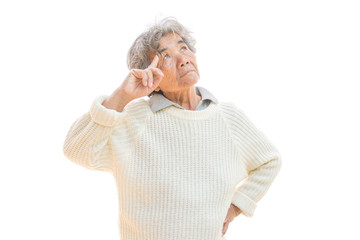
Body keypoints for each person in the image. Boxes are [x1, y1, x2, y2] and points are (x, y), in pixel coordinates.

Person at [63, 17, 282, 240]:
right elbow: (75, 149)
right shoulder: (134, 119)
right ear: (151, 77)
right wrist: (121, 96)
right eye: (166, 56)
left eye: (184, 48)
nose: (182, 59)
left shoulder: (227, 117)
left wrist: (237, 206)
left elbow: (270, 160)